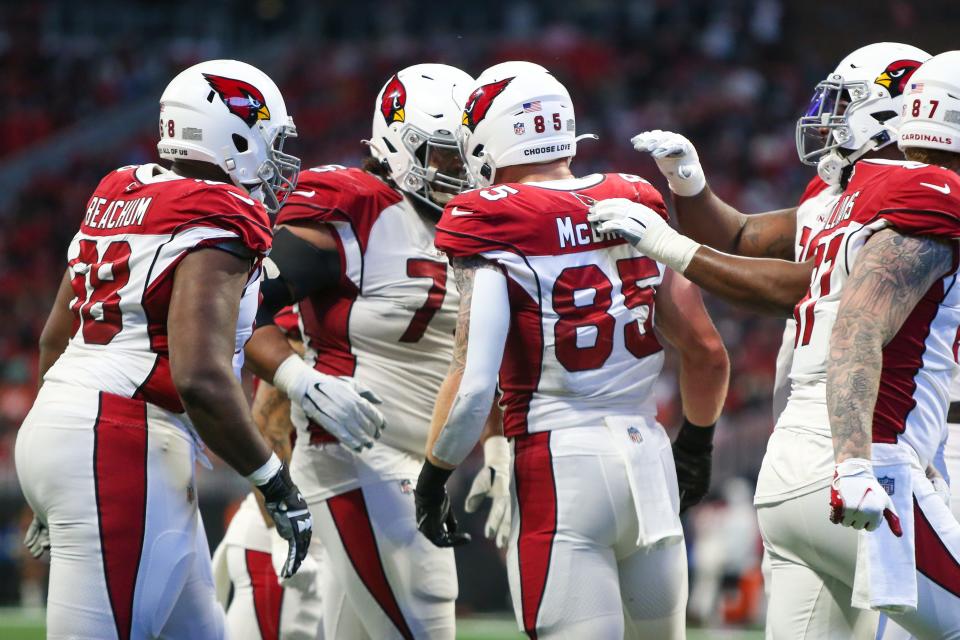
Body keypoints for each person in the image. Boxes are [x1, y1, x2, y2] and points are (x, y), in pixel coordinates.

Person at [591, 49, 960, 638]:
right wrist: (856, 461)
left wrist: (674, 244)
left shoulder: (866, 195)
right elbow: (849, 316)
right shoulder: (905, 194)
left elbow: (808, 287)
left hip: (792, 467)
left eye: (845, 105)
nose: (827, 119)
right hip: (868, 454)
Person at [414, 62, 730, 640]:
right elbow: (707, 351)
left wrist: (434, 477)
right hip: (649, 456)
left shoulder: (488, 216)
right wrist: (696, 448)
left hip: (557, 464)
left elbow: (473, 382)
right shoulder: (634, 197)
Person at [14, 59, 312, 640]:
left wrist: (56, 460)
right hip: (121, 440)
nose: (279, 160)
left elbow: (56, 336)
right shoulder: (222, 214)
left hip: (65, 422)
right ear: (231, 134)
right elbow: (199, 375)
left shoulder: (119, 190)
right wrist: (275, 480)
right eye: (271, 140)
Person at [243, 63, 485, 640]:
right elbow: (238, 305)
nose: (460, 171)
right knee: (429, 606)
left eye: (468, 156)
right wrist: (302, 380)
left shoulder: (471, 225)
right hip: (357, 457)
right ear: (399, 144)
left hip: (416, 465)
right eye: (444, 155)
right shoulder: (356, 207)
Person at [212, 308, 322, 640]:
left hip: (338, 523)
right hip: (294, 530)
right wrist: (280, 533)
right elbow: (266, 424)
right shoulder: (309, 315)